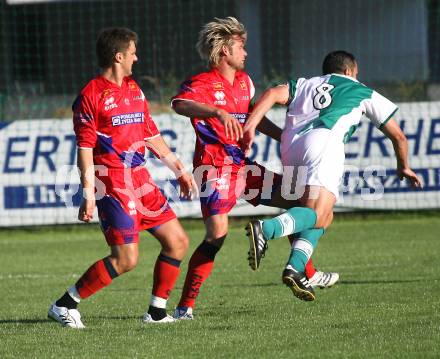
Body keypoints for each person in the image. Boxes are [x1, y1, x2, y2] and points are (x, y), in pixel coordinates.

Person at [170, 17, 338, 320]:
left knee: (300, 202)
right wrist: (216, 112)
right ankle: (185, 307)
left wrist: (284, 135)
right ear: (224, 51)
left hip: (242, 167)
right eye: (241, 47)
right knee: (217, 234)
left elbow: (254, 118)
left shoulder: (245, 82)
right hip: (214, 168)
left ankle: (305, 271)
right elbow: (179, 104)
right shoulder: (203, 83)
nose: (245, 53)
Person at [242, 50, 422, 302]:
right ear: (349, 71)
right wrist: (403, 165)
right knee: (316, 212)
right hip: (323, 145)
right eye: (356, 73)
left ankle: (296, 268)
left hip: (290, 146)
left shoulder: (305, 84)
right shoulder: (361, 90)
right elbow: (399, 136)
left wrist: (251, 124)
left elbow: (272, 93)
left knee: (323, 215)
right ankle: (266, 229)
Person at [48, 27, 196, 328]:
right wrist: (88, 193)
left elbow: (150, 134)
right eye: (132, 53)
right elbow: (86, 148)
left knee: (178, 241)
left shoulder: (134, 90)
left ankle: (156, 312)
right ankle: (65, 304)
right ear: (119, 56)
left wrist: (177, 167)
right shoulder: (91, 95)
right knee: (126, 258)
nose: (136, 58)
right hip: (113, 183)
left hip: (141, 179)